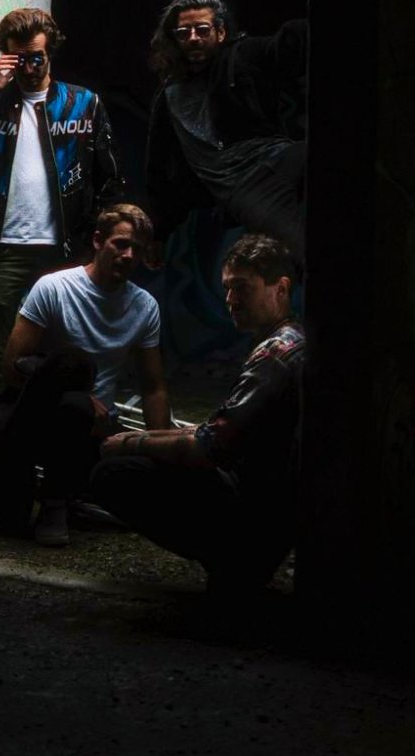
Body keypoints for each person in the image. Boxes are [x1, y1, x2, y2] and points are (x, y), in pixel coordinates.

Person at [0, 7, 125, 450]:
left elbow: (109, 178)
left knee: (67, 356)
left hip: (66, 252)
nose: (30, 67)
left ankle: (57, 453)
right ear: (7, 56)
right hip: (6, 250)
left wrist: (98, 243)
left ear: (50, 52)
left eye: (37, 57)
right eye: (20, 58)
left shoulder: (83, 104)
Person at [87, 232, 307, 597]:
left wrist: (131, 443)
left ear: (280, 288)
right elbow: (216, 430)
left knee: (112, 475)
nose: (230, 300)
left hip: (260, 511)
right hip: (275, 504)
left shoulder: (275, 356)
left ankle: (234, 561)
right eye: (227, 288)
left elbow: (209, 447)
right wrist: (143, 437)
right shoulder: (292, 339)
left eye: (242, 288)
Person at [0, 204, 170, 546]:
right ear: (98, 241)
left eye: (137, 250)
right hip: (37, 415)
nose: (128, 255)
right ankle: (54, 504)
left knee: (140, 492)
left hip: (94, 430)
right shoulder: (54, 288)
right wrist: (71, 391)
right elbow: (12, 366)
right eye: (120, 244)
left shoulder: (144, 307)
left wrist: (163, 452)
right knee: (75, 398)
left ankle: (68, 492)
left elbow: (153, 387)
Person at [142, 0, 308, 263]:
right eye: (184, 33)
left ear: (220, 32)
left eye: (202, 29)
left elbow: (282, 47)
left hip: (281, 156)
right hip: (246, 185)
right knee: (299, 248)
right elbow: (159, 169)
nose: (193, 37)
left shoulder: (241, 56)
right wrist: (159, 232)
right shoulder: (169, 98)